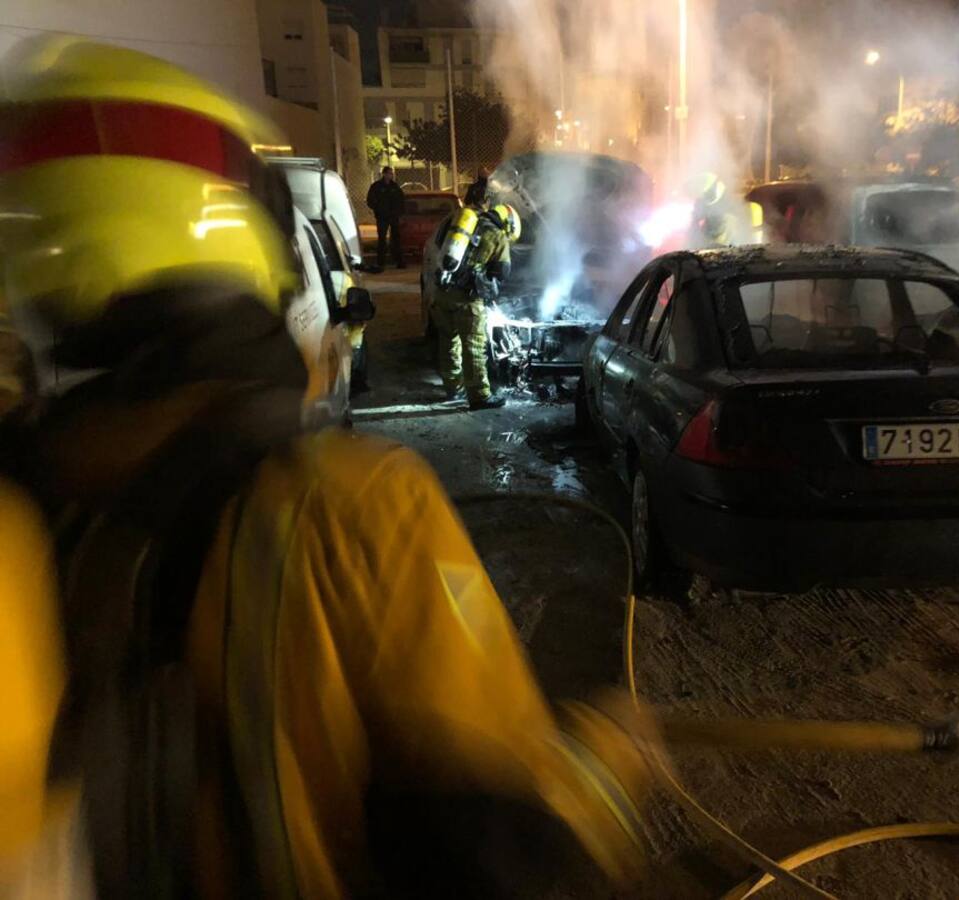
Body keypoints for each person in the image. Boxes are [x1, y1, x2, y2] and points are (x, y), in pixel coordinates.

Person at [0, 37, 657, 899]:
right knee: (470, 360)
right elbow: (515, 853)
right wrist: (607, 768)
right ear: (243, 224)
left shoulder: (22, 529)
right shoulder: (350, 508)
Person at [430, 204, 520, 410]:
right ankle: (479, 396)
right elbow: (502, 272)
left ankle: (453, 388)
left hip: (442, 292)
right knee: (474, 348)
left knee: (448, 341)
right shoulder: (497, 235)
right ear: (508, 223)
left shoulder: (463, 223)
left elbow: (438, 244)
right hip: (467, 300)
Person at [366, 166, 406, 269]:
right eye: (388, 173)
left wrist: (399, 213)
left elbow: (401, 200)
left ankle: (399, 261)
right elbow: (370, 200)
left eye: (391, 173)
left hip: (393, 216)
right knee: (382, 239)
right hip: (382, 217)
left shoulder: (394, 187)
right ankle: (381, 262)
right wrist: (378, 209)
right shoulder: (377, 186)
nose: (390, 175)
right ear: (384, 174)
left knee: (396, 239)